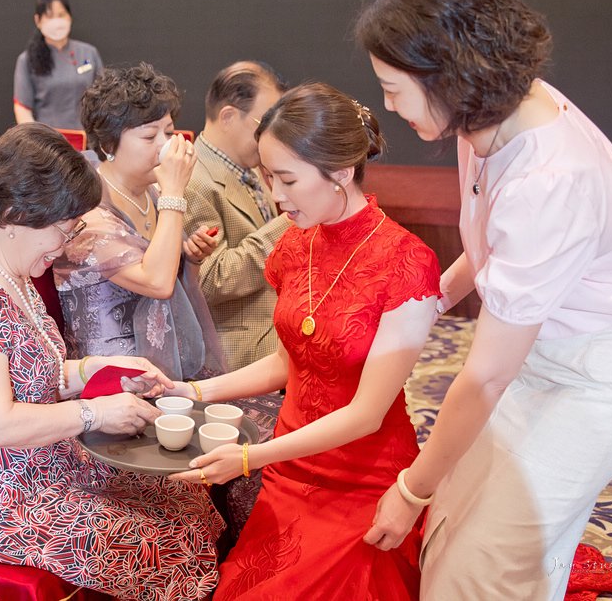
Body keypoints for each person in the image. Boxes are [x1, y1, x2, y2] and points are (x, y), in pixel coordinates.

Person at [355, 0, 612, 599]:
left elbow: (486, 374)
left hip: (597, 373)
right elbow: (496, 246)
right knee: (459, 531)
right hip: (535, 347)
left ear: (450, 75)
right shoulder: (482, 117)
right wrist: (424, 303)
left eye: (393, 86)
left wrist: (410, 489)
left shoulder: (549, 175)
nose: (386, 104)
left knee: (486, 565)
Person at [0, 123, 224, 600]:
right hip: (5, 500)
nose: (66, 245)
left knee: (187, 497)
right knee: (158, 543)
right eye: (64, 229)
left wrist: (105, 368)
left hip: (58, 464)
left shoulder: (12, 274)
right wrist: (97, 412)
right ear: (14, 214)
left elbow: (37, 371)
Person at [170, 82, 441, 599]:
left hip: (363, 481)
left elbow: (365, 413)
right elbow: (285, 362)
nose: (276, 195)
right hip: (289, 471)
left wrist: (251, 458)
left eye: (289, 180)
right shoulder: (296, 244)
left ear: (341, 172)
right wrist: (193, 393)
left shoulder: (406, 263)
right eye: (269, 177)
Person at [54, 63, 226, 380]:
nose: (165, 146)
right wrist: (175, 192)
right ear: (107, 146)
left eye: (169, 133)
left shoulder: (153, 194)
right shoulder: (87, 215)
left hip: (167, 368)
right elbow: (157, 284)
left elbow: (170, 279)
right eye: (149, 136)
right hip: (114, 380)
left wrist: (190, 259)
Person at [183, 61, 291, 371]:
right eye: (265, 121)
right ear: (229, 116)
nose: (273, 132)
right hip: (236, 353)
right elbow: (210, 281)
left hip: (273, 338)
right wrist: (287, 224)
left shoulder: (251, 168)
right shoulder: (194, 180)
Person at [13, 0, 103, 130]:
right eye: (49, 16)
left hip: (87, 140)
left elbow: (103, 99)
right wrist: (37, 142)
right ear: (38, 20)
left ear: (69, 17)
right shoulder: (27, 60)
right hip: (48, 144)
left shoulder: (89, 53)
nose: (56, 21)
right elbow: (23, 109)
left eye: (61, 15)